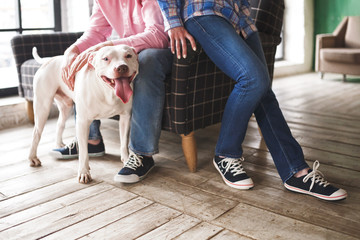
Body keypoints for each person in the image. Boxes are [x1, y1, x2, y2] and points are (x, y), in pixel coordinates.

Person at [156, 0, 347, 201]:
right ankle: (226, 154)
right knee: (253, 78)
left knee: (264, 92)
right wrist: (173, 22)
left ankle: (296, 171)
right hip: (204, 11)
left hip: (242, 21)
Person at [52, 0, 173, 183]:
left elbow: (158, 35)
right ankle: (91, 140)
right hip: (126, 50)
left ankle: (142, 154)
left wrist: (107, 46)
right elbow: (95, 32)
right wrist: (73, 50)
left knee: (146, 61)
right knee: (91, 62)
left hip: (159, 48)